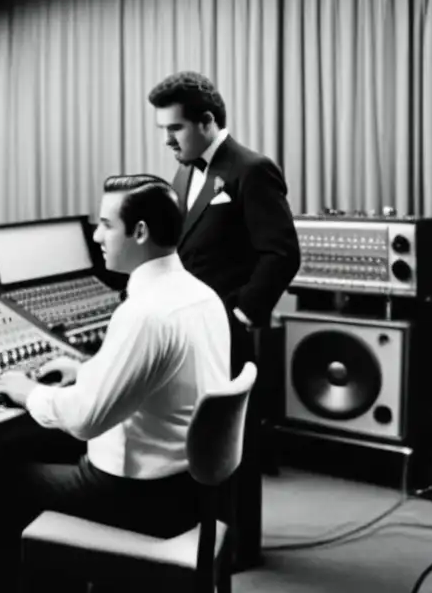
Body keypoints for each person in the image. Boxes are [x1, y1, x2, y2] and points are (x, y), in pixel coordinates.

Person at [0, 174, 232, 591]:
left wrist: (28, 391)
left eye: (106, 224)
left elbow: (85, 419)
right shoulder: (201, 296)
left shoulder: (144, 313)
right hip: (189, 489)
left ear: (140, 232)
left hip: (141, 499)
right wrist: (82, 371)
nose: (97, 235)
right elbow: (158, 380)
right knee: (26, 445)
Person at [148, 70, 301, 570]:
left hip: (227, 332)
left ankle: (239, 551)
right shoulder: (183, 171)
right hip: (187, 332)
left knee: (232, 449)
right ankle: (204, 545)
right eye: (163, 130)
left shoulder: (252, 170)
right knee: (196, 447)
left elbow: (281, 254)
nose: (167, 140)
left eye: (175, 129)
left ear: (207, 121)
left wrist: (238, 313)